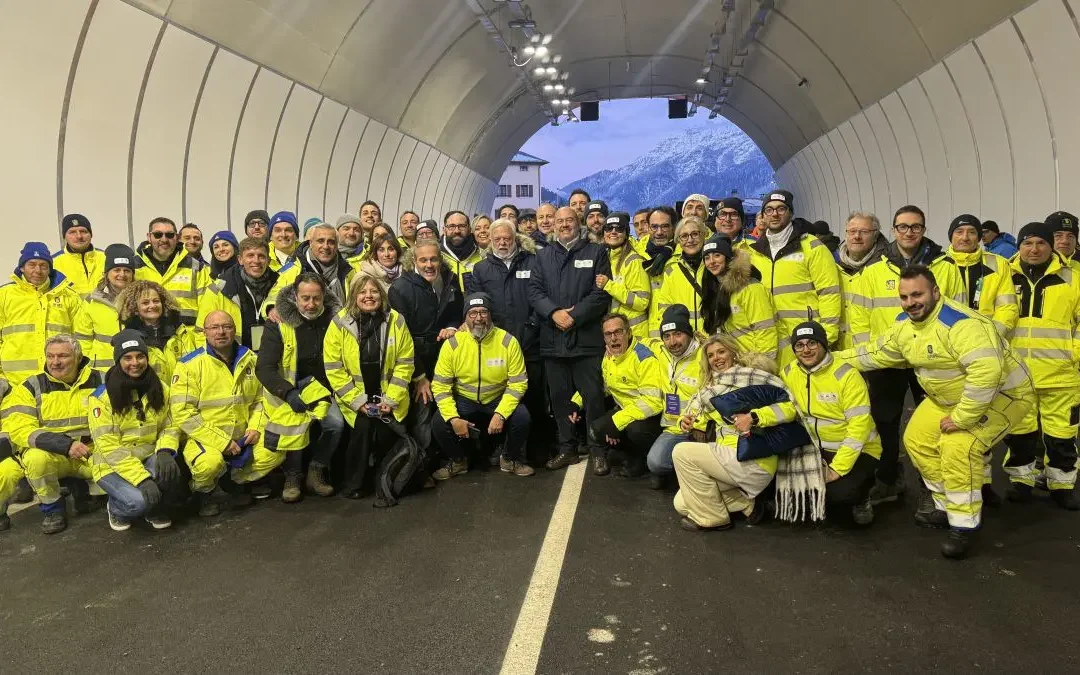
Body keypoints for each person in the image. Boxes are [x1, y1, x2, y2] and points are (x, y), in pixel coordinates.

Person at [835, 265, 1035, 558]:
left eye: (917, 294)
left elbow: (986, 374)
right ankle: (945, 505)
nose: (910, 302)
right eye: (904, 296)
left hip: (1002, 396)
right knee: (917, 440)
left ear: (936, 292)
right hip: (948, 397)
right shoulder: (905, 325)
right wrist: (831, 359)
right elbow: (875, 353)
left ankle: (965, 525)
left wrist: (962, 418)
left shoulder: (962, 325)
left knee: (959, 446)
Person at [851, 205, 965, 504]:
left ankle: (935, 487)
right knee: (884, 422)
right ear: (893, 230)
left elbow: (958, 314)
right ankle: (889, 478)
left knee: (939, 424)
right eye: (902, 227)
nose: (909, 232)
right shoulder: (873, 270)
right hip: (887, 361)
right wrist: (869, 355)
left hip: (933, 360)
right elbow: (860, 316)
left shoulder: (945, 267)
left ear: (924, 230)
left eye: (915, 227)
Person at [528, 206, 612, 473]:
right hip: (553, 341)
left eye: (569, 220)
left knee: (593, 397)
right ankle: (567, 448)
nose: (564, 225)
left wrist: (573, 316)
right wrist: (553, 313)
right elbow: (534, 291)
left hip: (586, 340)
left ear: (579, 223)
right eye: (559, 221)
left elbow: (601, 294)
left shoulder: (596, 252)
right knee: (560, 398)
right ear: (552, 226)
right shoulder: (542, 257)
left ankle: (598, 449)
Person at [1002, 223, 1080, 509]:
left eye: (1040, 243)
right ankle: (1021, 482)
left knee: (1062, 435)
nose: (1034, 249)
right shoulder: (1003, 276)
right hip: (1016, 372)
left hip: (1060, 373)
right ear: (1019, 246)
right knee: (1019, 433)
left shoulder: (1074, 277)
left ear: (1050, 247)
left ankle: (1061, 485)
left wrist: (1074, 354)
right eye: (1027, 243)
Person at [669, 334, 777, 531]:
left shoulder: (751, 378)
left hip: (754, 458)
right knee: (681, 504)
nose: (716, 358)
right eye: (711, 355)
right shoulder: (710, 389)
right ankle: (748, 504)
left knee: (681, 451)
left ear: (733, 353)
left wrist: (753, 417)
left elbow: (783, 407)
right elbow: (692, 414)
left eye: (721, 352)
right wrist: (683, 422)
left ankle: (714, 518)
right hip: (727, 457)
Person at [776, 321, 879, 525]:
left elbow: (858, 429)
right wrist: (755, 417)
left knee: (840, 495)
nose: (806, 350)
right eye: (800, 345)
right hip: (814, 448)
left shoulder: (847, 375)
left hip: (857, 451)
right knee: (782, 488)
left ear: (824, 344)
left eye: (812, 343)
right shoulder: (788, 373)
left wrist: (837, 470)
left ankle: (864, 494)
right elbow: (783, 409)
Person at [251, 274, 342, 501]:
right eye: (305, 298)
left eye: (316, 298)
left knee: (336, 424)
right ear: (295, 297)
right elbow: (264, 368)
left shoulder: (337, 321)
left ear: (324, 298)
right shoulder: (278, 323)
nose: (310, 304)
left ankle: (316, 469)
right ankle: (293, 475)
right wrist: (288, 392)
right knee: (294, 424)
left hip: (326, 390)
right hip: (291, 389)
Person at [324, 273, 414, 498]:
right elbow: (334, 368)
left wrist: (391, 399)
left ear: (381, 295)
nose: (368, 296)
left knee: (386, 433)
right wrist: (358, 401)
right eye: (362, 292)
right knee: (361, 431)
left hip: (388, 396)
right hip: (355, 399)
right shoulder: (339, 323)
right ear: (354, 296)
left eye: (373, 291)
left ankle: (386, 481)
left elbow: (405, 363)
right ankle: (355, 484)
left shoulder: (396, 320)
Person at [4, 335, 102, 534]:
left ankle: (87, 492)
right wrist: (64, 445)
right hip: (52, 455)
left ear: (78, 357)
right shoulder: (31, 387)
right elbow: (20, 428)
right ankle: (53, 510)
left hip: (90, 453)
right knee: (32, 460)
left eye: (63, 356)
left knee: (121, 468)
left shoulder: (101, 380)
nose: (55, 362)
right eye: (50, 356)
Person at [88, 331, 182, 531]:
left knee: (170, 469)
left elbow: (170, 425)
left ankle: (154, 506)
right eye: (127, 358)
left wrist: (165, 451)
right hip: (112, 465)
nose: (135, 362)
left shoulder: (160, 388)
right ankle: (116, 508)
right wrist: (143, 479)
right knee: (137, 503)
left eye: (140, 356)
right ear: (118, 361)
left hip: (149, 456)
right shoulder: (102, 398)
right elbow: (109, 448)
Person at [172, 311, 263, 516]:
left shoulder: (251, 359)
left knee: (274, 450)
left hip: (242, 435)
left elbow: (260, 401)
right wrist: (222, 442)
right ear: (204, 332)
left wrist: (255, 427)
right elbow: (182, 413)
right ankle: (203, 492)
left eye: (227, 326)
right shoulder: (189, 365)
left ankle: (232, 481)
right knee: (209, 464)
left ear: (235, 330)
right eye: (214, 327)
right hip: (205, 437)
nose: (221, 332)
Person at [466, 219, 547, 453]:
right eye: (497, 239)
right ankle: (502, 447)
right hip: (496, 346)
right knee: (501, 398)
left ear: (515, 239)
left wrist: (531, 327)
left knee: (533, 397)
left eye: (507, 239)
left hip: (530, 342)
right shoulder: (481, 269)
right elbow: (477, 306)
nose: (502, 243)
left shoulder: (532, 262)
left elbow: (540, 296)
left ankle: (535, 448)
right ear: (490, 241)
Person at [431, 293, 531, 478]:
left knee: (522, 417)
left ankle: (509, 458)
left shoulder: (508, 342)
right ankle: (459, 461)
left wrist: (501, 414)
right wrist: (453, 418)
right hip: (465, 400)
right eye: (473, 313)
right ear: (465, 317)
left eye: (484, 312)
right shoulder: (452, 344)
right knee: (438, 422)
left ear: (490, 314)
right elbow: (440, 387)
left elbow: (518, 384)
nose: (479, 318)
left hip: (497, 398)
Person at [747, 190, 842, 367]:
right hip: (766, 341)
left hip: (804, 342)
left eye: (781, 209)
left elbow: (829, 293)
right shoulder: (752, 253)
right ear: (763, 215)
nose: (775, 214)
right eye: (769, 209)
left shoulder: (812, 247)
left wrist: (825, 337)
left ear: (791, 213)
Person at [388, 241, 463, 452]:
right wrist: (419, 376)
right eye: (423, 260)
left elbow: (457, 312)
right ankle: (420, 465)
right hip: (417, 362)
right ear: (414, 261)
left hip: (447, 359)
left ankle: (451, 457)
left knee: (449, 409)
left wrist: (452, 326)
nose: (429, 264)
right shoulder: (400, 289)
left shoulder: (451, 280)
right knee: (422, 413)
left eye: (433, 259)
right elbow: (404, 339)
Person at [578, 313, 663, 477]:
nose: (613, 338)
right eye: (608, 334)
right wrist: (576, 402)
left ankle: (643, 459)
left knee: (634, 430)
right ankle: (631, 452)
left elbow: (653, 402)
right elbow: (603, 387)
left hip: (650, 418)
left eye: (618, 332)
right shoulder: (609, 357)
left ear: (628, 333)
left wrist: (617, 422)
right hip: (626, 411)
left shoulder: (643, 358)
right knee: (596, 430)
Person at [0, 242, 85, 384]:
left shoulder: (69, 297)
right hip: (14, 381)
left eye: (43, 265)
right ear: (22, 267)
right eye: (32, 265)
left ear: (49, 269)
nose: (37, 270)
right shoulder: (4, 295)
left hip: (58, 380)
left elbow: (81, 338)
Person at [643, 305, 705, 489]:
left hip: (701, 429)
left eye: (678, 334)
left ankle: (694, 472)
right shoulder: (660, 350)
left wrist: (699, 424)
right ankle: (684, 469)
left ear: (689, 334)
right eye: (667, 336)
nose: (672, 342)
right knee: (655, 462)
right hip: (673, 428)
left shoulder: (705, 355)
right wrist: (613, 349)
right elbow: (635, 343)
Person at [700, 234, 778, 359]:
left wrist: (764, 366)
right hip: (741, 362)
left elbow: (765, 330)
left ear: (727, 257)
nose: (712, 262)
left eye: (717, 255)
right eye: (707, 258)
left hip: (759, 362)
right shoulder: (717, 289)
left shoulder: (751, 288)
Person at [197, 237, 279, 350]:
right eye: (250, 255)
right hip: (233, 358)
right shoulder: (218, 288)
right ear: (240, 259)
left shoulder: (281, 284)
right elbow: (201, 331)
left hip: (273, 357)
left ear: (268, 261)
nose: (256, 260)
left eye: (261, 256)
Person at [947, 214, 1017, 337]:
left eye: (972, 232)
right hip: (948, 340)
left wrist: (994, 335)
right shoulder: (938, 264)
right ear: (951, 236)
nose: (965, 237)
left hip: (989, 339)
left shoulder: (999, 264)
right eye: (959, 232)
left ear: (979, 237)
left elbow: (1007, 307)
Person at [116, 280, 199, 383]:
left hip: (182, 393)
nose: (152, 305)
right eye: (145, 303)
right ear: (135, 308)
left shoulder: (181, 332)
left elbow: (194, 365)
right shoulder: (129, 339)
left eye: (156, 301)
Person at [136, 217, 212, 326]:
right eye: (158, 235)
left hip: (186, 340)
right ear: (149, 237)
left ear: (176, 238)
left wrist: (199, 341)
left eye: (169, 235)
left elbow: (207, 310)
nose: (164, 239)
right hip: (146, 339)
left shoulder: (197, 268)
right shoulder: (135, 267)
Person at [75, 244, 137, 372]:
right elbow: (83, 341)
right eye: (117, 270)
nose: (122, 274)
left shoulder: (142, 300)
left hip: (135, 368)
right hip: (101, 371)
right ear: (107, 273)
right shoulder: (92, 302)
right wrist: (86, 369)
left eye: (127, 270)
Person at [268, 224, 354, 314]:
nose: (326, 246)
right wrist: (271, 308)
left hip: (341, 326)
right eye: (320, 241)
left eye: (331, 242)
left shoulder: (349, 271)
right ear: (310, 243)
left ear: (337, 245)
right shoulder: (292, 270)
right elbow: (273, 296)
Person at [835, 212, 888, 350]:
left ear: (875, 236)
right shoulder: (831, 267)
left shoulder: (888, 267)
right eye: (852, 231)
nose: (857, 236)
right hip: (840, 353)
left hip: (876, 355)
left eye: (864, 232)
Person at [652, 217, 709, 337]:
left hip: (713, 340)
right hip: (685, 340)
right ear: (678, 240)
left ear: (703, 235)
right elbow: (665, 307)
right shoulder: (671, 269)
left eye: (695, 234)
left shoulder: (714, 265)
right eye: (684, 236)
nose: (690, 240)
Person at [597, 212, 651, 338]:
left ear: (626, 233)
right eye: (609, 228)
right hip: (616, 334)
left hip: (636, 334)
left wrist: (609, 285)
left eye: (619, 228)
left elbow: (642, 302)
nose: (613, 232)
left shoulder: (634, 260)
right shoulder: (605, 258)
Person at [644, 206, 680, 331]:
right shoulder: (637, 254)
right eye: (654, 227)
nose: (659, 232)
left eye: (665, 226)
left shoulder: (684, 256)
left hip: (676, 331)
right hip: (647, 333)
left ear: (674, 228)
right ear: (648, 228)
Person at [52, 213, 104, 298]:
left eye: (83, 231)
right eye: (72, 232)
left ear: (91, 234)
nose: (79, 236)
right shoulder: (53, 263)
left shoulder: (107, 258)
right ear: (64, 236)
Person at [441, 210, 483, 292]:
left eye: (462, 226)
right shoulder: (437, 257)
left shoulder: (482, 255)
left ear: (469, 229)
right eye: (452, 226)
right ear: (444, 230)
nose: (457, 231)